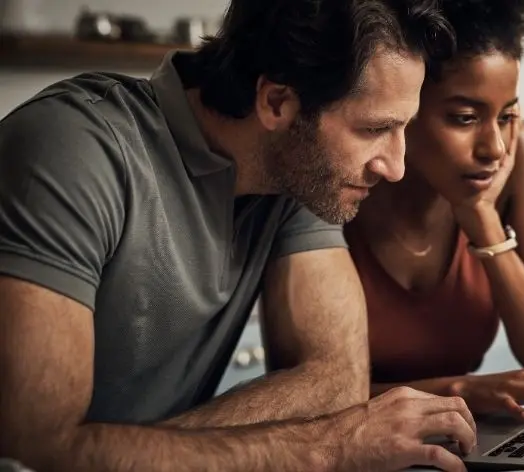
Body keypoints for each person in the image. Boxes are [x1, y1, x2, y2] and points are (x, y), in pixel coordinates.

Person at [0, 1, 479, 471]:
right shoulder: (72, 151)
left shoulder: (301, 174)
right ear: (276, 102)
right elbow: (36, 452)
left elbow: (336, 381)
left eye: (402, 129)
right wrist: (326, 447)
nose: (395, 167)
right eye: (375, 128)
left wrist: (131, 453)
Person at [345, 0, 524, 424]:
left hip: (460, 443)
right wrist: (459, 391)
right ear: (402, 107)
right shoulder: (341, 178)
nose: (495, 148)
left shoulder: (511, 159)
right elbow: (306, 397)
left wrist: (483, 221)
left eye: (507, 115)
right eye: (464, 118)